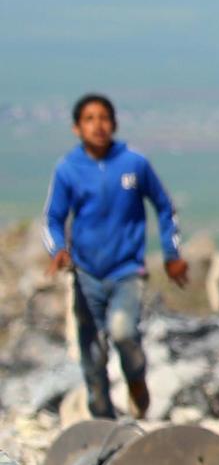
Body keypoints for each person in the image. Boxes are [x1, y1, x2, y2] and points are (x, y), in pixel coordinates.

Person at [44, 93, 187, 420]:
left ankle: (136, 380)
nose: (98, 125)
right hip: (86, 273)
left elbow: (165, 207)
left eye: (104, 118)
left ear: (114, 123)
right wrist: (58, 249)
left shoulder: (134, 163)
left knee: (123, 332)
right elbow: (52, 218)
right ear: (76, 128)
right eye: (89, 119)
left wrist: (171, 253)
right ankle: (102, 419)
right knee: (92, 352)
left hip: (127, 270)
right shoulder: (68, 169)